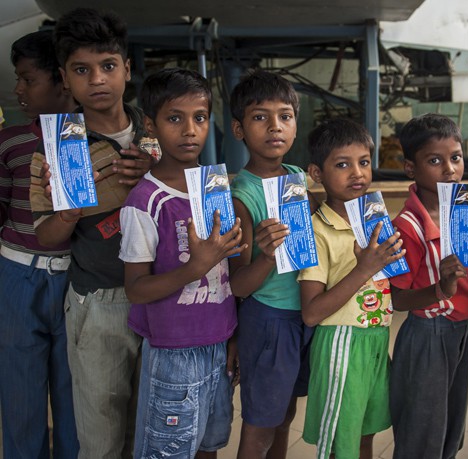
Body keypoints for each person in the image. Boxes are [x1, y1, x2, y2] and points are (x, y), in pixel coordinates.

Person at [29, 8, 154, 458]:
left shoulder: (156, 130)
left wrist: (157, 172)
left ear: (127, 68)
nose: (97, 79)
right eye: (82, 70)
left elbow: (195, 196)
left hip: (162, 294)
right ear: (65, 77)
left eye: (107, 66)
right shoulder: (58, 147)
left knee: (149, 427)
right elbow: (45, 235)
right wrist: (67, 212)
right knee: (100, 433)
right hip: (99, 301)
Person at [119, 67, 243, 459]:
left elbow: (228, 276)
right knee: (167, 452)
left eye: (200, 118)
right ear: (151, 126)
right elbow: (135, 288)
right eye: (175, 118)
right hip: (173, 353)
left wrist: (232, 336)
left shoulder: (214, 189)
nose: (190, 130)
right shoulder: (145, 200)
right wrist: (194, 267)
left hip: (219, 343)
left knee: (209, 445)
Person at [298, 117, 404, 458]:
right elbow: (312, 313)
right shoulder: (317, 229)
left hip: (375, 339)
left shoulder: (375, 222)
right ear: (317, 173)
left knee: (364, 435)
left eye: (363, 162)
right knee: (338, 445)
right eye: (343, 164)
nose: (357, 173)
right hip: (341, 344)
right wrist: (366, 268)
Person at [0, 30, 78, 459]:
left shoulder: (96, 143)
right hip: (17, 276)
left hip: (77, 279)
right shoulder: (10, 141)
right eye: (19, 79)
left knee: (75, 401)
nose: (19, 89)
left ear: (62, 80)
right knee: (20, 397)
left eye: (29, 79)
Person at [227, 70, 312, 459]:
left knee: (286, 413)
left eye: (285, 116)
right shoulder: (241, 196)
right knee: (261, 423)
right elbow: (239, 286)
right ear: (239, 128)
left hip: (304, 313)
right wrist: (270, 254)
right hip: (269, 320)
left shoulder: (296, 177)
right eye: (260, 117)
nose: (275, 126)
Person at [387, 113, 468, 459]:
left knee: (451, 428)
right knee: (422, 434)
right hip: (428, 336)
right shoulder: (405, 227)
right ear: (411, 168)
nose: (450, 169)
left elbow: (465, 288)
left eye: (455, 157)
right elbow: (397, 299)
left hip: (458, 331)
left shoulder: (462, 209)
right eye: (435, 161)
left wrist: (466, 336)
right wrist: (441, 288)